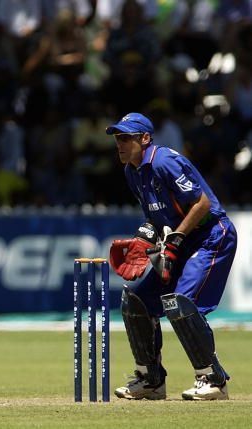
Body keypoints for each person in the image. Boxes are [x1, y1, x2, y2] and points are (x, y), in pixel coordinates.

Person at [107, 112, 237, 401]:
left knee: (180, 302)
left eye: (126, 138)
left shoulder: (164, 161)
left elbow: (202, 204)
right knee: (135, 301)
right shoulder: (132, 170)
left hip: (211, 236)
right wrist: (143, 239)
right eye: (118, 139)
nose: (120, 144)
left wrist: (175, 239)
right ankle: (151, 380)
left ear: (144, 138)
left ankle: (213, 379)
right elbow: (155, 217)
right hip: (180, 241)